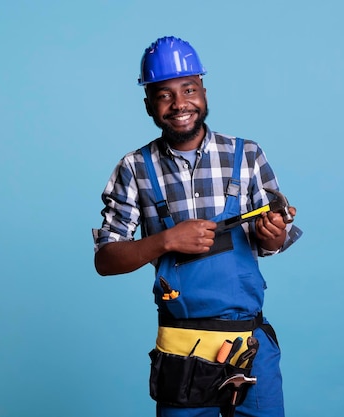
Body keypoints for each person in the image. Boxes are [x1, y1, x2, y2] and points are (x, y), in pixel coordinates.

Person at [93, 36, 302, 417]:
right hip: (183, 355)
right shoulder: (135, 169)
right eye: (164, 95)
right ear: (149, 106)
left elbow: (274, 233)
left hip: (250, 347)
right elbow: (106, 260)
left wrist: (274, 233)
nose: (179, 104)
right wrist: (165, 240)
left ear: (203, 91)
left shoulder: (247, 155)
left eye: (188, 89)